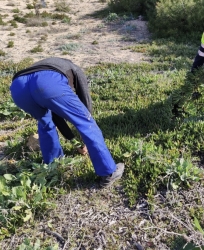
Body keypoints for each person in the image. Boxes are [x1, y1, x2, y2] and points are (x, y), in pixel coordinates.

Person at [10, 57, 124, 188]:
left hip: (18, 87)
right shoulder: (74, 69)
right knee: (86, 122)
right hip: (47, 82)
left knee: (45, 123)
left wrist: (76, 143)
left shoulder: (53, 66)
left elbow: (55, 117)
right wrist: (84, 138)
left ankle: (53, 167)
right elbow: (85, 105)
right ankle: (108, 173)